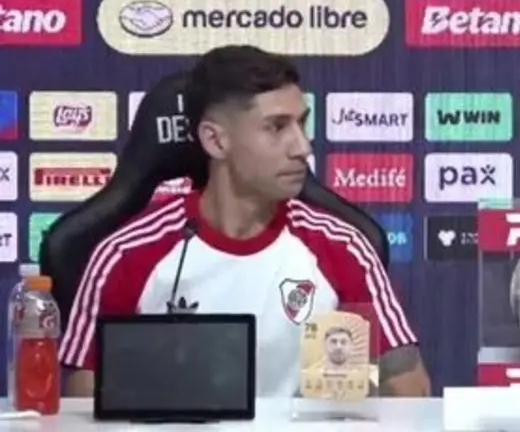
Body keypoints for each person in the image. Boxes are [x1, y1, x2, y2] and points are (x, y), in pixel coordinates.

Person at [59, 46, 431, 397]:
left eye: (302, 124)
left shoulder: (341, 247)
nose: (302, 147)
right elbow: (85, 404)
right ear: (216, 141)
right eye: (277, 127)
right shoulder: (126, 255)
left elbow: (407, 390)